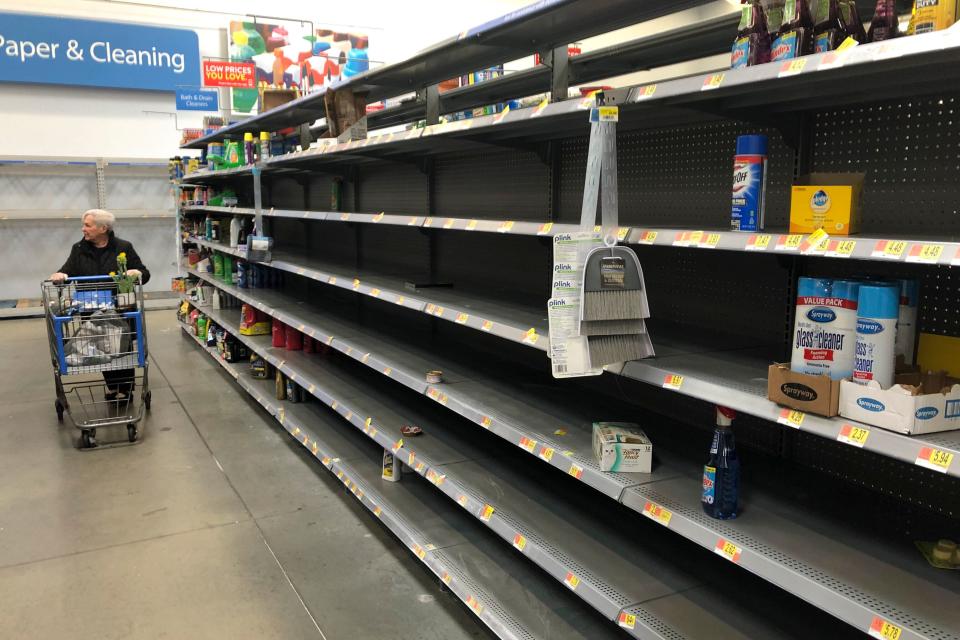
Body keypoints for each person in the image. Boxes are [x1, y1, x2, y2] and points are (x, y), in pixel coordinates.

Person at [49, 209, 150, 400]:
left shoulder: (124, 247)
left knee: (121, 347)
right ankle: (113, 386)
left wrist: (136, 273)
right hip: (91, 311)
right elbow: (67, 271)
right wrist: (60, 276)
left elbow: (144, 274)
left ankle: (125, 388)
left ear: (103, 228)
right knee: (102, 349)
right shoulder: (78, 249)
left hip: (120, 309)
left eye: (87, 225)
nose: (83, 229)